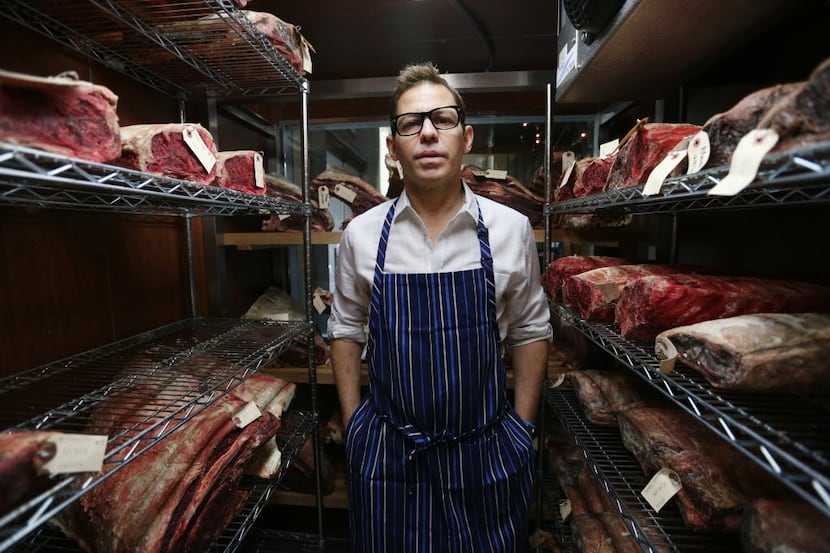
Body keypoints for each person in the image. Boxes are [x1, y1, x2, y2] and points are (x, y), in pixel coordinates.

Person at [327, 61, 552, 552]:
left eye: (442, 119)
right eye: (410, 124)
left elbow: (531, 331)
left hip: (486, 455)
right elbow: (344, 330)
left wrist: (521, 431)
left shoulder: (510, 229)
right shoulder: (362, 237)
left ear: (466, 137)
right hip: (388, 459)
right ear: (392, 148)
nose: (428, 133)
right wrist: (355, 426)